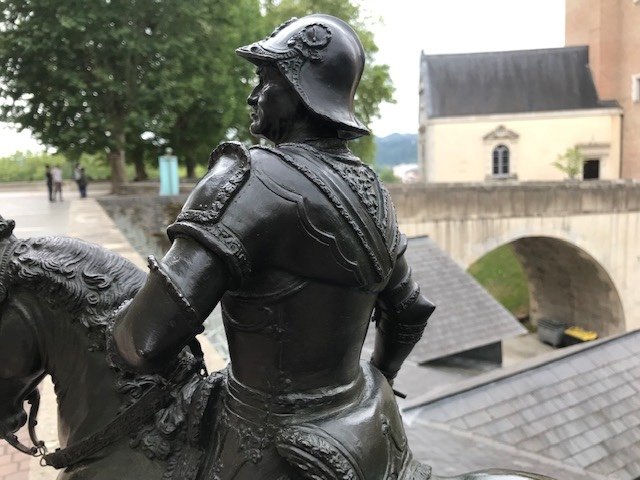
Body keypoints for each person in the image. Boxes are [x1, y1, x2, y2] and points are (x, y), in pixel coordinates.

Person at [112, 14, 434, 479]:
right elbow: (409, 310)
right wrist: (381, 376)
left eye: (267, 78)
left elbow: (141, 345)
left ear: (302, 91)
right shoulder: (371, 189)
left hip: (266, 442)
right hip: (371, 421)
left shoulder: (245, 179)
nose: (253, 94)